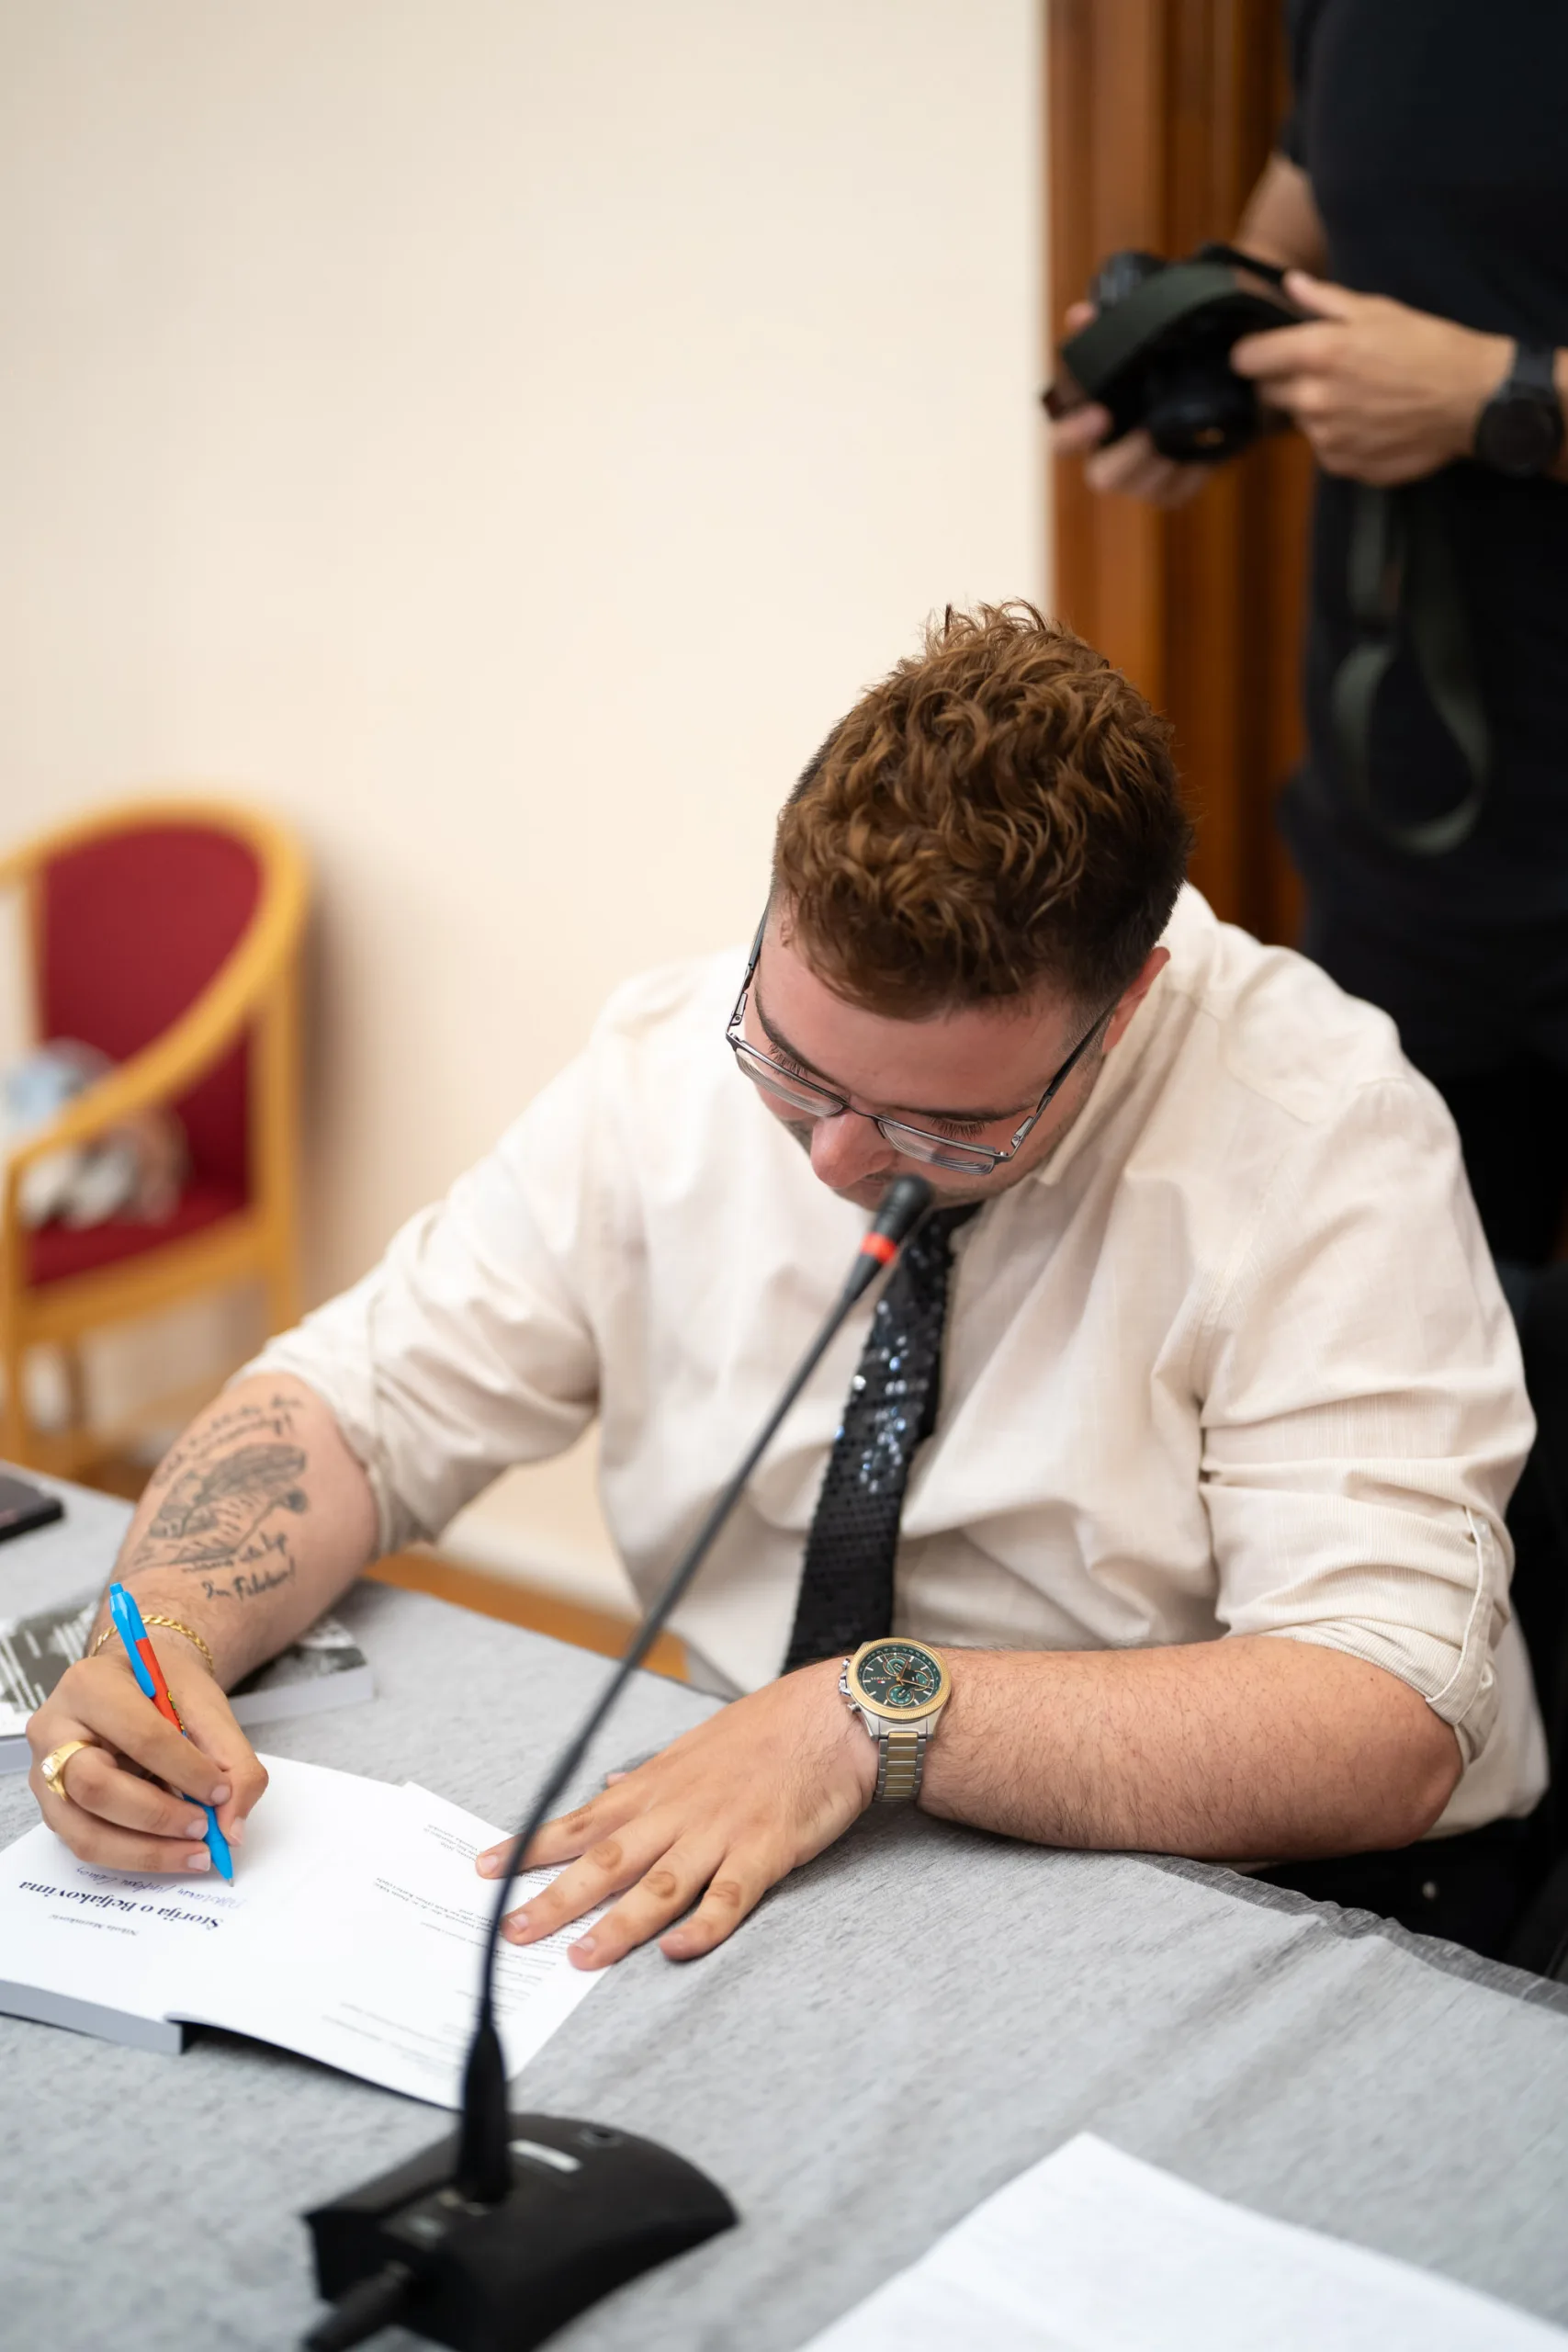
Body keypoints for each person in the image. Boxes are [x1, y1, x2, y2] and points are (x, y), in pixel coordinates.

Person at [26, 606, 1546, 1962]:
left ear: (1126, 1000)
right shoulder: (666, 1056)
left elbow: (1383, 1719)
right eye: (794, 1068)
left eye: (946, 1125)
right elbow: (363, 1400)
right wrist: (159, 1636)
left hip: (1227, 1881)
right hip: (751, 1807)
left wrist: (867, 1712)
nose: (832, 1160)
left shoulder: (1321, 1133)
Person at [1053, 0, 1568, 1288]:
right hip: (1413, 834)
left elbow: (1475, 369)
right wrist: (1191, 352)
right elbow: (1299, 236)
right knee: (1386, 1334)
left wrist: (1504, 397)